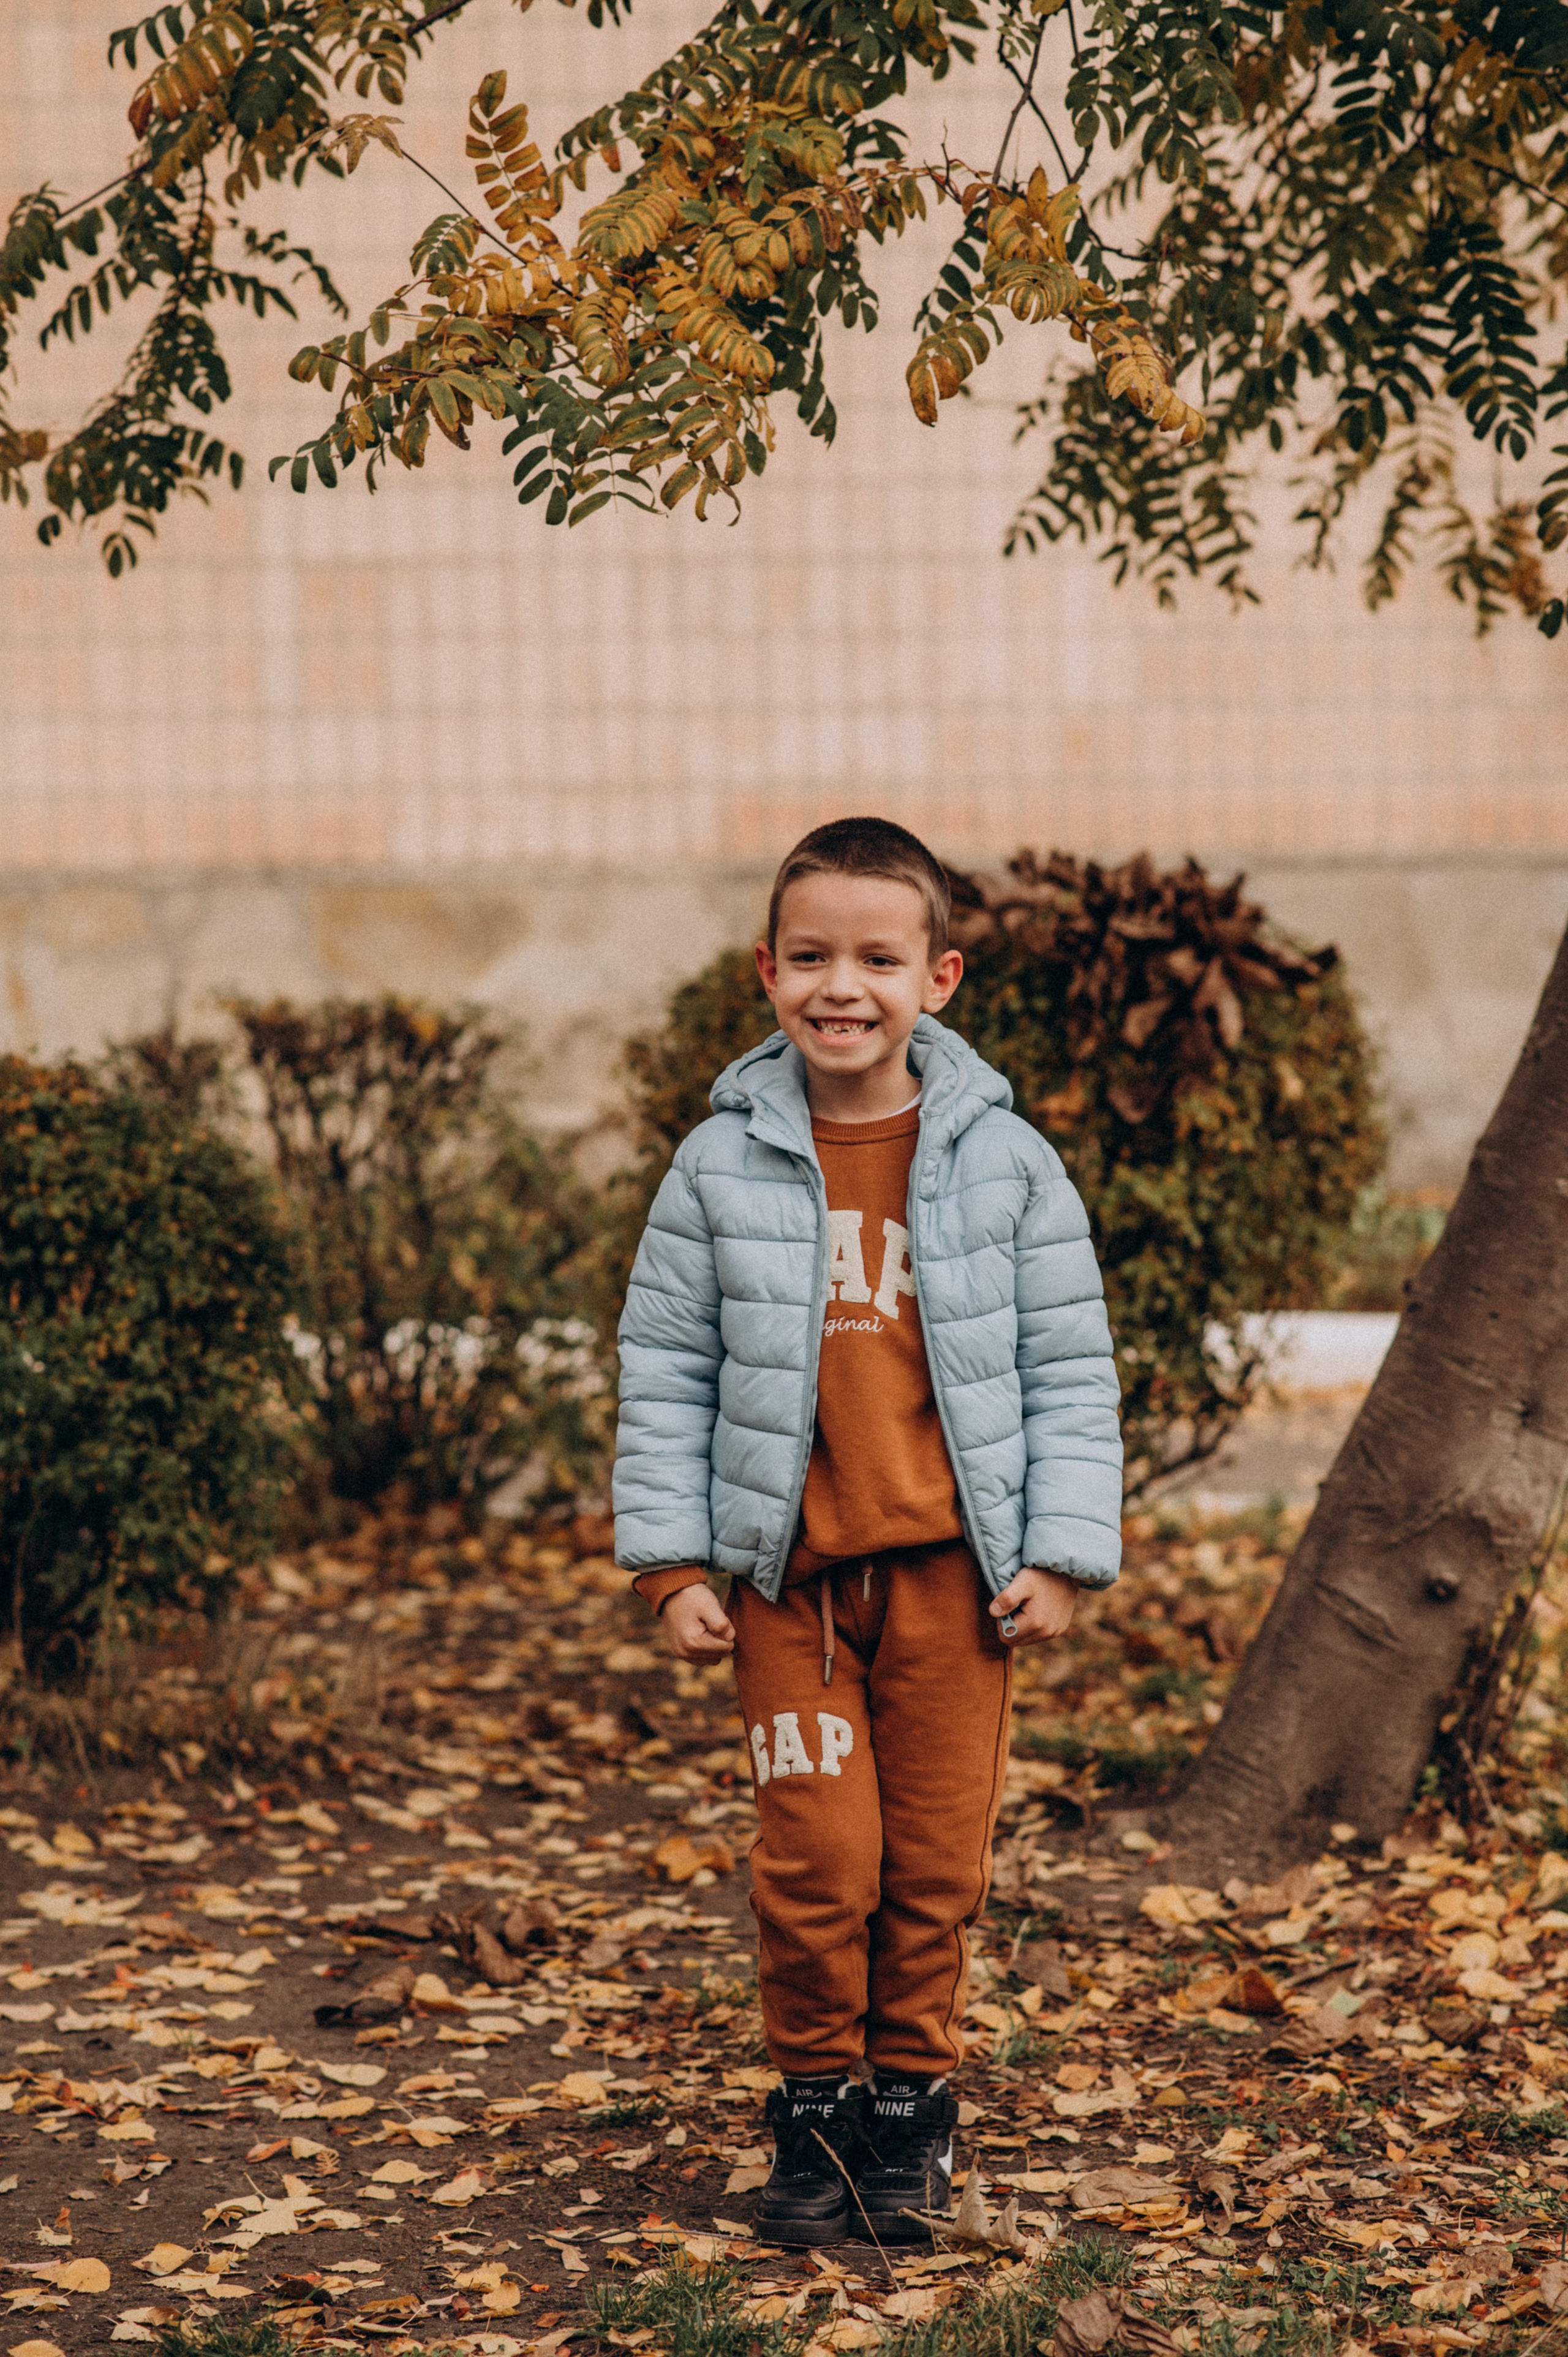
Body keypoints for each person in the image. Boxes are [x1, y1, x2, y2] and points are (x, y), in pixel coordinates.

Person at [612, 815, 1121, 2247]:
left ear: (938, 976)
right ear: (764, 970)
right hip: (788, 1589)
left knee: (935, 1863)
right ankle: (813, 2109)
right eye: (813, 956)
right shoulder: (717, 1166)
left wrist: (1065, 1550)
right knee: (819, 1860)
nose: (844, 985)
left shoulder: (1006, 1164)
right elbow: (664, 1365)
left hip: (957, 1588)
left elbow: (1066, 1368)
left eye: (879, 957)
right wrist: (668, 1563)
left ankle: (911, 2110)